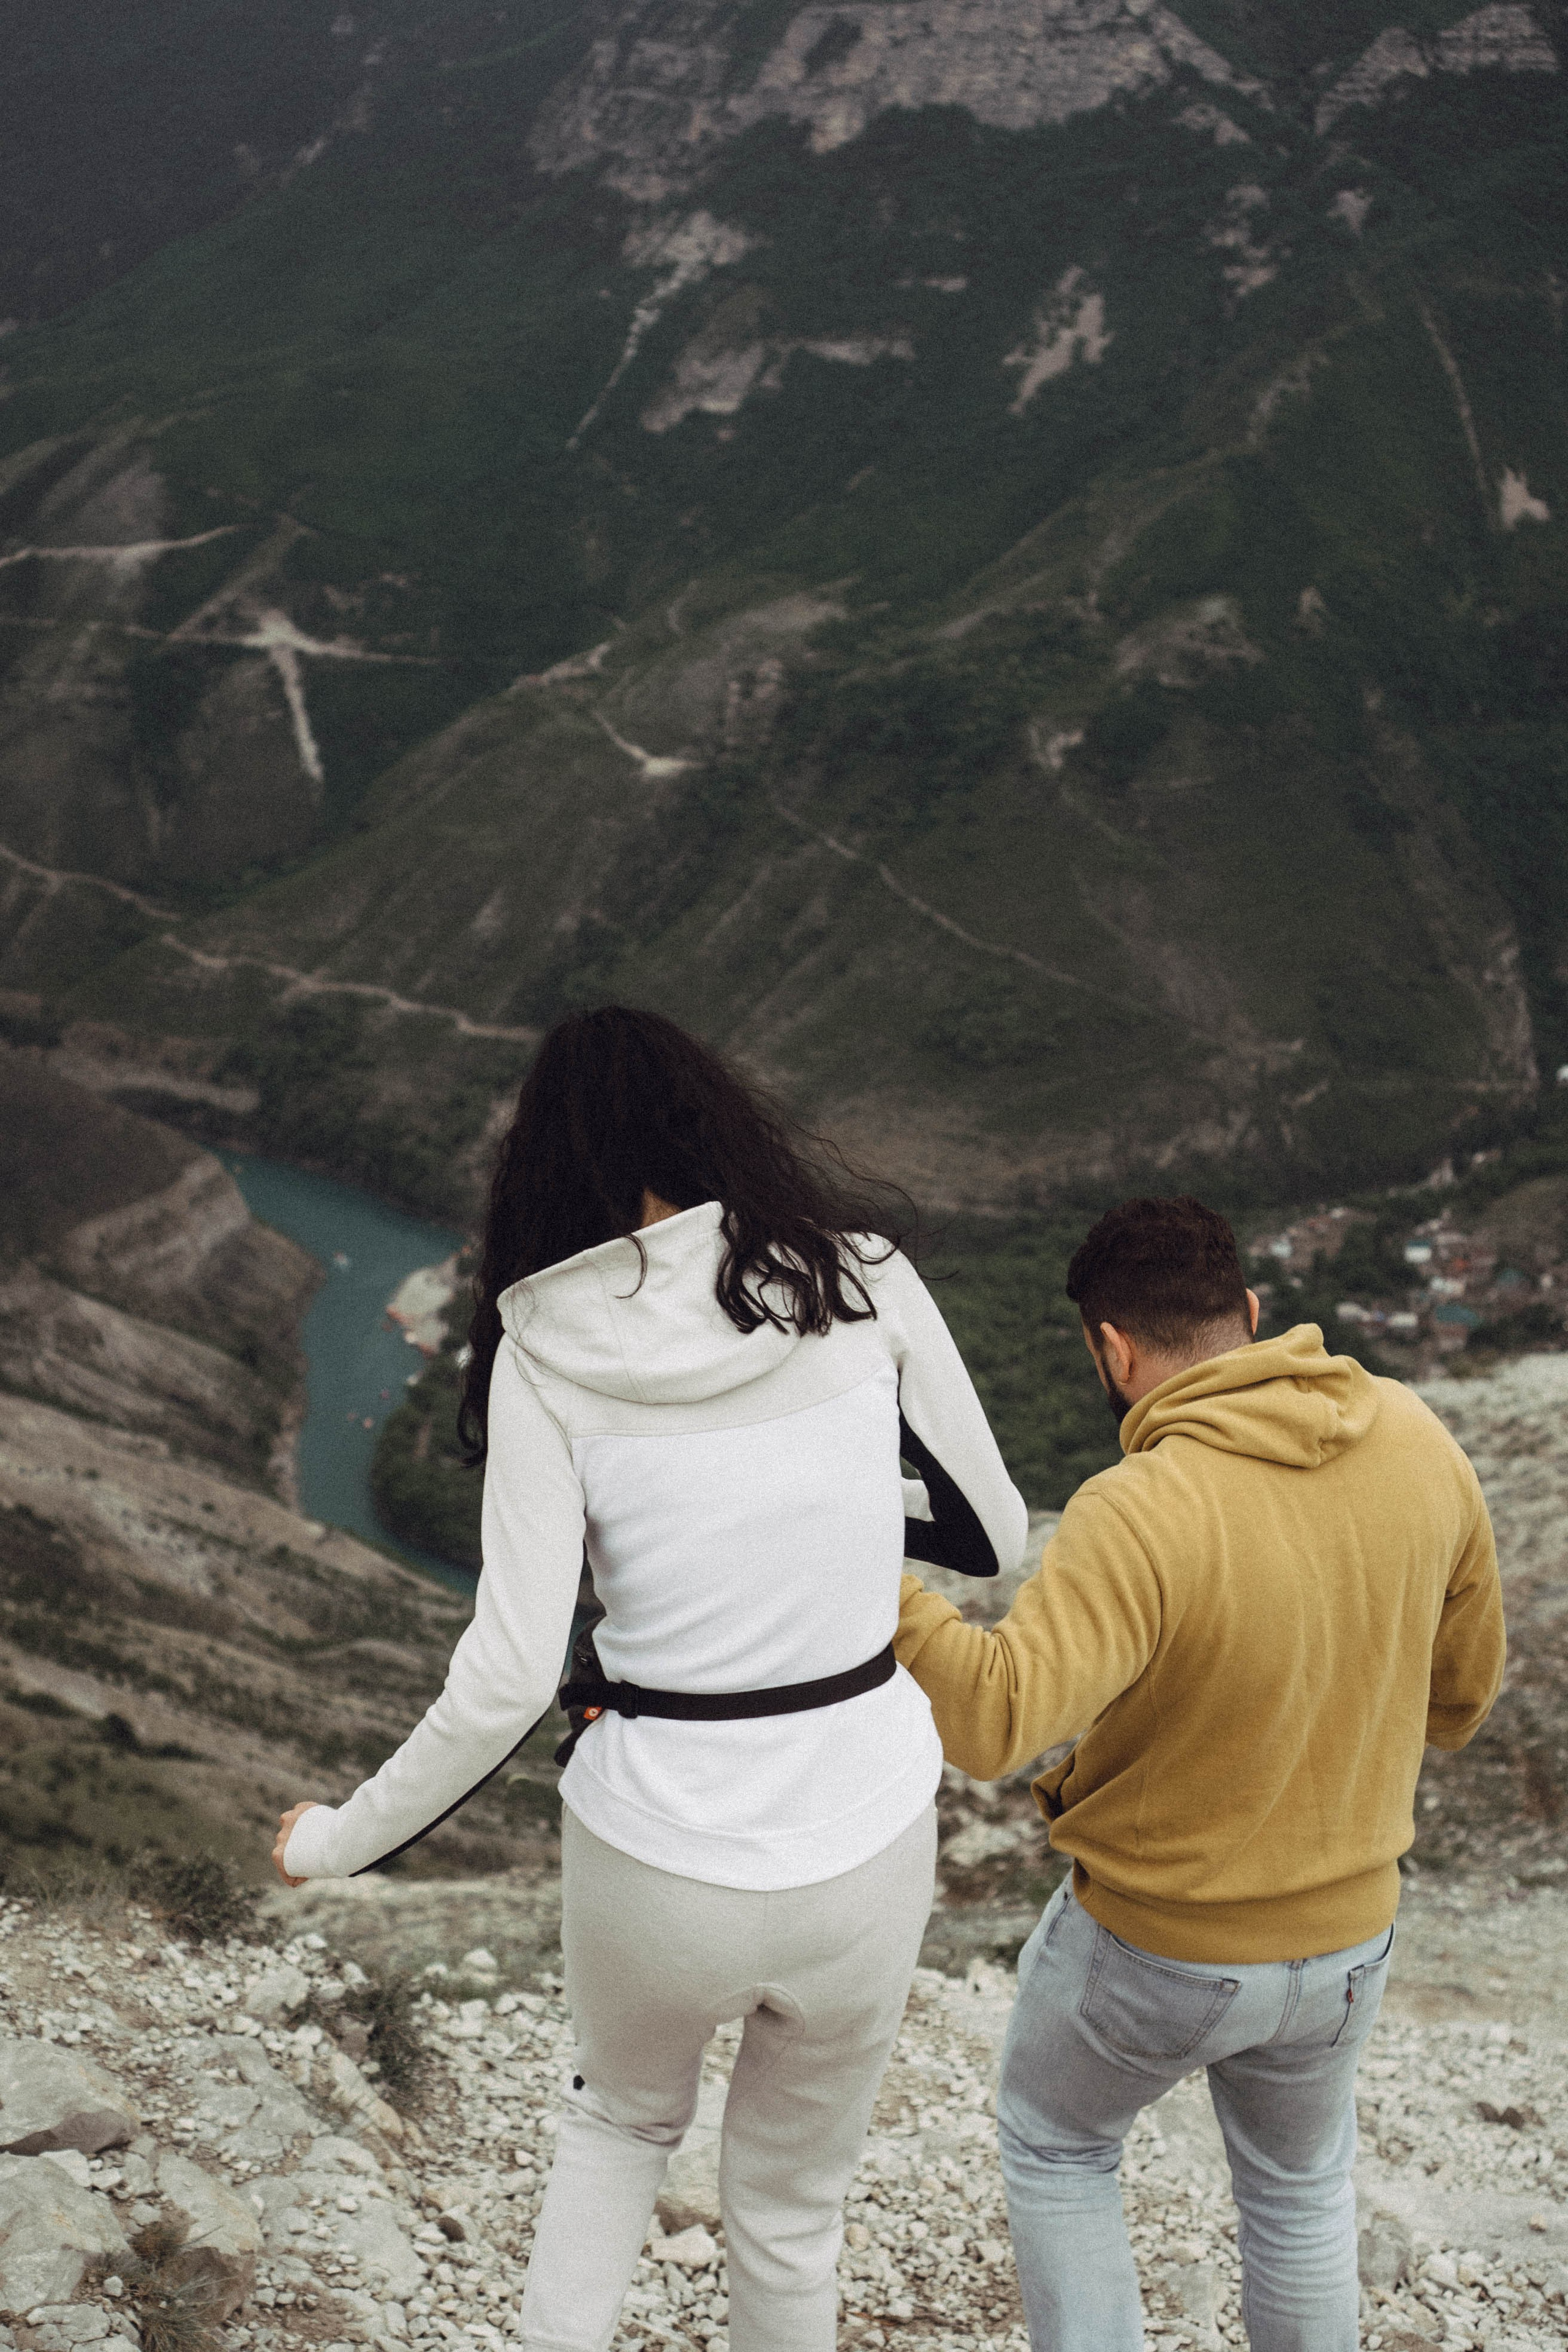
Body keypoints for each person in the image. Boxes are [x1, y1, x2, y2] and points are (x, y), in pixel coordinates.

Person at [271, 1005, 1027, 2352]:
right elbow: (991, 1533)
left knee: (616, 2131)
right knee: (793, 2214)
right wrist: (828, 1504)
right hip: (866, 1837)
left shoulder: (542, 1343)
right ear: (712, 1121)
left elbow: (509, 1677)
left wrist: (332, 1842)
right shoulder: (862, 1276)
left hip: (661, 1853)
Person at [895, 1194, 1506, 2352]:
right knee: (1300, 2192)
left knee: (1059, 2146)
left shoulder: (1141, 1506)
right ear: (1253, 1312)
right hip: (1349, 1942)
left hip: (1158, 1945)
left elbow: (993, 1721)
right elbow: (1462, 1703)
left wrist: (878, 1584)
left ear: (1112, 1350)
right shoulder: (1420, 1440)